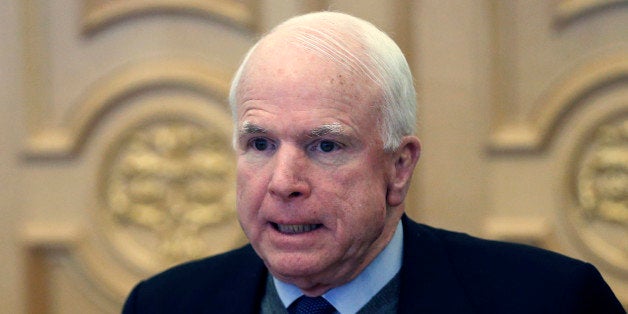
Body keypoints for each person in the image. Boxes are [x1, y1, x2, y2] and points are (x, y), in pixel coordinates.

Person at [122, 11, 624, 314]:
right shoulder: (163, 305)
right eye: (260, 144)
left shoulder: (551, 302)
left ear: (399, 168)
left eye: (325, 146)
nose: (283, 182)